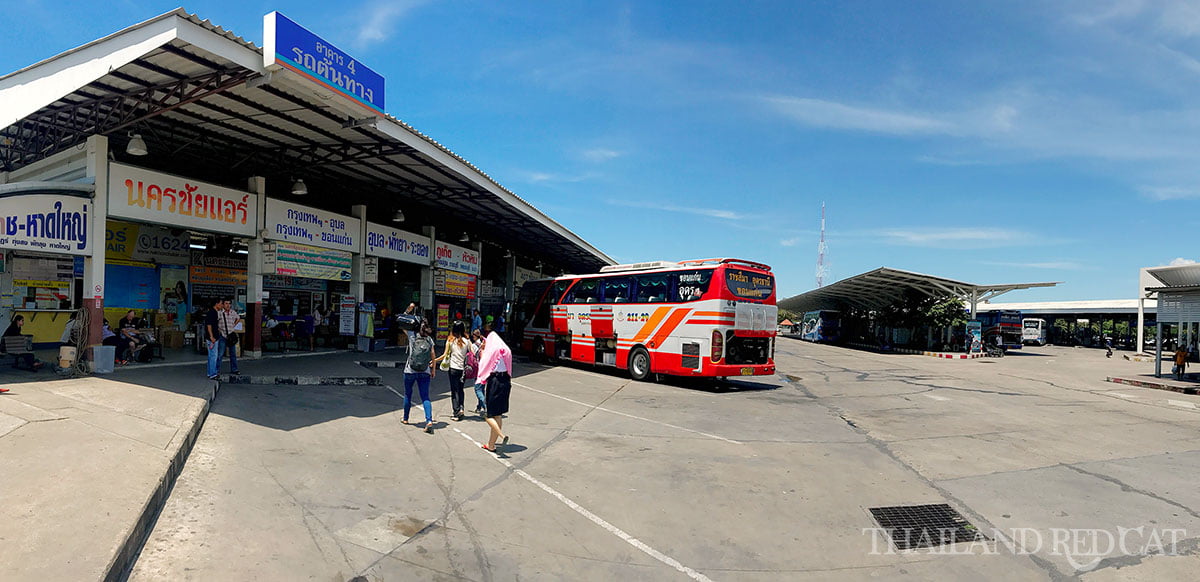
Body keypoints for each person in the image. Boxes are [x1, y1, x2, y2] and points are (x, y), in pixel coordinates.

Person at [475, 330, 513, 453]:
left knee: (488, 415)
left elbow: (483, 366)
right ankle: (491, 444)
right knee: (498, 414)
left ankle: (501, 435)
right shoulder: (506, 350)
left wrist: (480, 379)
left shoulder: (491, 351)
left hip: (495, 381)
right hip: (506, 382)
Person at [434, 321, 475, 420]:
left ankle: (456, 413)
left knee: (454, 391)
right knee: (461, 389)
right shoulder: (467, 341)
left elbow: (444, 355)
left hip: (453, 369)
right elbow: (473, 354)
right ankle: (461, 408)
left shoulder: (450, 341)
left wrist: (434, 360)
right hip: (463, 370)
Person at [402, 318, 437, 433]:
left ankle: (406, 418)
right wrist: (433, 370)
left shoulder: (412, 336)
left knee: (408, 394)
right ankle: (429, 420)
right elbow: (433, 355)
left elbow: (402, 322)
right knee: (425, 397)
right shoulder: (429, 340)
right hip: (425, 371)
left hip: (410, 370)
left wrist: (409, 312)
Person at [218, 299, 242, 375]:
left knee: (233, 354)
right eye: (226, 303)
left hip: (231, 335)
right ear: (223, 304)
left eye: (229, 303)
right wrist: (219, 329)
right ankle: (216, 370)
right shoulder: (220, 313)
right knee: (220, 354)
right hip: (223, 335)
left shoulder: (233, 312)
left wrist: (234, 325)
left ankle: (234, 369)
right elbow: (215, 322)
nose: (228, 305)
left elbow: (238, 318)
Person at [204, 299, 225, 379]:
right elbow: (209, 325)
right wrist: (211, 336)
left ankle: (210, 372)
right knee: (213, 356)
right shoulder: (212, 313)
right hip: (212, 338)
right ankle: (213, 373)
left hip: (214, 337)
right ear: (216, 304)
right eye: (221, 303)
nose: (222, 305)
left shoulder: (215, 312)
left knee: (211, 356)